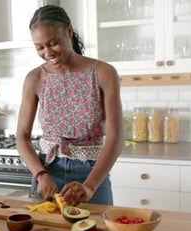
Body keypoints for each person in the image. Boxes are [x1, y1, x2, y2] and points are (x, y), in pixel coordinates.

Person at [15, 5, 123, 206]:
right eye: (40, 47)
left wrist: (90, 186)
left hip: (92, 174)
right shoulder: (35, 78)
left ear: (69, 32)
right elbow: (21, 136)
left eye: (53, 43)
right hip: (48, 173)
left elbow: (115, 138)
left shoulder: (103, 73)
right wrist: (40, 174)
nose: (48, 52)